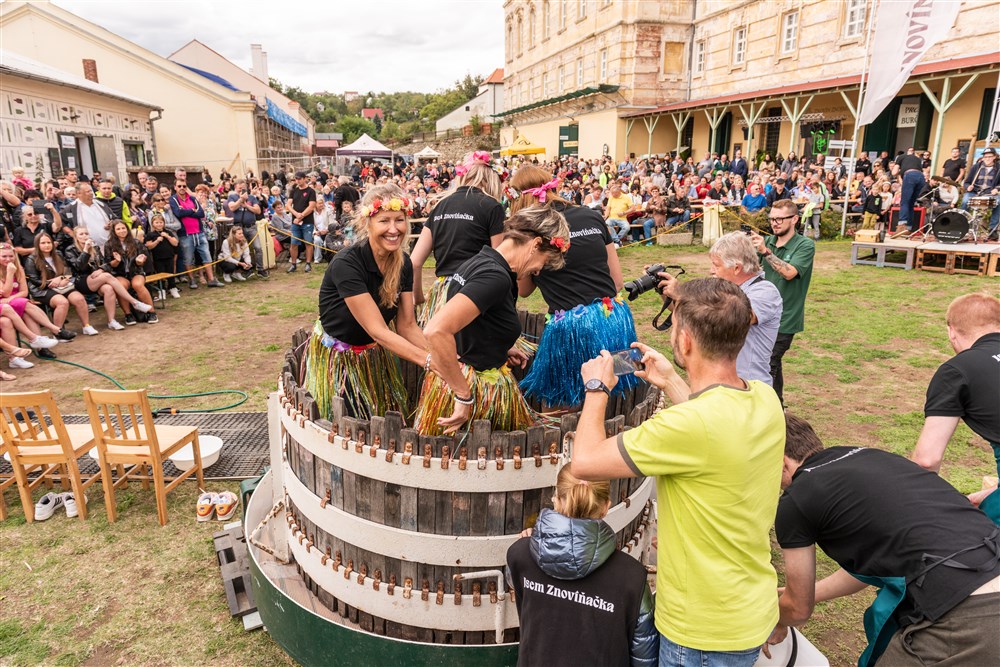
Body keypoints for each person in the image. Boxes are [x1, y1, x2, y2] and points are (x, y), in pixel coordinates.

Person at [572, 278, 784, 667]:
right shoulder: (764, 398)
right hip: (749, 607)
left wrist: (596, 388)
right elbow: (713, 431)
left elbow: (584, 461)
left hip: (701, 632)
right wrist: (670, 380)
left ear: (685, 341)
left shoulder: (686, 427)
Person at [771, 414, 1000, 667]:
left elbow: (798, 610)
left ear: (782, 462)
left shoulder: (797, 499)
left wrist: (777, 619)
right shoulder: (872, 458)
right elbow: (874, 563)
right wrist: (809, 594)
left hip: (971, 614)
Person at [416, 206, 570, 435]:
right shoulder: (494, 276)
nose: (539, 271)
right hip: (473, 391)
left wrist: (499, 346)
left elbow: (472, 324)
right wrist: (463, 395)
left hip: (463, 379)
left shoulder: (479, 260)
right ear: (536, 244)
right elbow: (436, 331)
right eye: (544, 261)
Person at [506, 465, 658, 667]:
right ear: (606, 507)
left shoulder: (520, 555)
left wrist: (529, 542)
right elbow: (645, 658)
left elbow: (515, 582)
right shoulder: (633, 578)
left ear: (556, 500)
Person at [510, 166, 634, 407]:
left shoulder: (529, 228)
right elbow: (617, 281)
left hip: (571, 329)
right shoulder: (592, 215)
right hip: (614, 319)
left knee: (564, 401)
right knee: (618, 390)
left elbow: (524, 290)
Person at [305, 185, 429, 421]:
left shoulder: (403, 263)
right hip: (341, 361)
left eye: (399, 220)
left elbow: (407, 326)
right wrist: (430, 362)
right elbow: (378, 330)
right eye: (384, 221)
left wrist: (440, 357)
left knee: (383, 420)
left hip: (374, 355)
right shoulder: (347, 264)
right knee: (345, 423)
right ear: (367, 223)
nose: (393, 229)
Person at [912, 293, 1000, 524]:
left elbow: (926, 460)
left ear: (951, 332)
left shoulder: (957, 370)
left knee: (975, 537)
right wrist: (992, 495)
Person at [661, 232, 782, 386]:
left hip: (748, 388)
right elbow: (694, 315)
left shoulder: (765, 292)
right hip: (720, 383)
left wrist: (681, 293)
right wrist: (666, 294)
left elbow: (729, 318)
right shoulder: (724, 291)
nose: (711, 271)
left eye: (716, 265)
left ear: (737, 268)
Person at [410, 152, 505, 323]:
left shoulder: (440, 205)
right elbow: (499, 259)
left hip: (443, 294)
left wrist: (417, 298)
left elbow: (415, 262)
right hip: (475, 291)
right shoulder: (492, 206)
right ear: (492, 179)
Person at [750, 200, 815, 405]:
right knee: (768, 363)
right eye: (772, 219)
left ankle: (769, 410)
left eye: (779, 219)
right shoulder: (767, 241)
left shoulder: (804, 245)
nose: (774, 223)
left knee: (767, 364)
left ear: (794, 219)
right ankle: (778, 407)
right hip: (760, 314)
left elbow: (790, 273)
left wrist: (765, 252)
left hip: (785, 318)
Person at [67, 226, 150, 330]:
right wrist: (85, 250)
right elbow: (79, 267)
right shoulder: (70, 249)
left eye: (86, 233)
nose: (84, 236)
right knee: (106, 276)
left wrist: (101, 269)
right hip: (81, 280)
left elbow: (104, 264)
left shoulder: (95, 247)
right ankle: (134, 302)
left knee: (109, 289)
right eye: (81, 234)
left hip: (97, 278)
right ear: (76, 237)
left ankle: (111, 321)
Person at [23, 232, 95, 337]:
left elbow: (68, 271)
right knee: (62, 302)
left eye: (49, 242)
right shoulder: (31, 259)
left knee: (79, 299)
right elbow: (34, 280)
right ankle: (58, 332)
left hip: (62, 285)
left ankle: (86, 326)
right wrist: (52, 282)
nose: (47, 245)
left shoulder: (58, 254)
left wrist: (62, 279)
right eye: (43, 243)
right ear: (37, 245)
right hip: (42, 289)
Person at [0, 243, 63, 358]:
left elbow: (24, 292)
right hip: (4, 304)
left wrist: (10, 299)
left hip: (14, 300)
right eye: (4, 256)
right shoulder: (9, 270)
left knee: (26, 311)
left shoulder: (19, 269)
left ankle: (41, 347)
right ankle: (54, 330)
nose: (8, 259)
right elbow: (6, 293)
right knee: (24, 304)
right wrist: (10, 274)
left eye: (11, 256)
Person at [170, 179, 222, 289]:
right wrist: (192, 210)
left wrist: (186, 211)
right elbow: (178, 213)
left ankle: (211, 279)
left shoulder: (192, 198)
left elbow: (201, 213)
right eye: (179, 186)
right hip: (185, 234)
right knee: (188, 258)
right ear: (175, 187)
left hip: (200, 232)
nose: (182, 188)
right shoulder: (173, 199)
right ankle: (192, 280)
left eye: (184, 186)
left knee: (207, 256)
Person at [102, 220, 157, 325]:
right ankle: (128, 314)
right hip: (119, 273)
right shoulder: (109, 244)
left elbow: (142, 262)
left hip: (136, 271)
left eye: (123, 228)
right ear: (114, 231)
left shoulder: (136, 242)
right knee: (120, 286)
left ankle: (151, 312)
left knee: (137, 285)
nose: (121, 231)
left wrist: (139, 262)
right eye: (118, 229)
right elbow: (109, 264)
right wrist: (116, 261)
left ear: (127, 229)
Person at [226, 178, 267, 279]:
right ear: (235, 188)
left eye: (244, 188)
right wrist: (241, 200)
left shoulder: (251, 197)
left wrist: (246, 206)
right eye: (240, 188)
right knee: (242, 249)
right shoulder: (232, 197)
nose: (242, 190)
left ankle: (260, 269)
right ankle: (247, 270)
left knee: (258, 248)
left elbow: (258, 210)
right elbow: (232, 207)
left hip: (252, 226)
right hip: (239, 228)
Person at [962, 148, 1000, 236]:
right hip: (975, 192)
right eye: (985, 157)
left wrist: (997, 189)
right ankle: (962, 225)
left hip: (989, 193)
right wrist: (968, 187)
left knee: (999, 202)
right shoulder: (976, 167)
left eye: (990, 156)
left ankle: (992, 230)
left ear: (994, 157)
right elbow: (966, 182)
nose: (987, 158)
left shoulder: (998, 168)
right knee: (965, 201)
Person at [143, 214, 180, 299]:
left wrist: (167, 237)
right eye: (157, 222)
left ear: (163, 223)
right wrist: (157, 241)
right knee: (160, 274)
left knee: (170, 273)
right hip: (158, 258)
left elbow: (175, 243)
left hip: (169, 256)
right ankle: (162, 290)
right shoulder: (150, 234)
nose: (159, 224)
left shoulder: (168, 232)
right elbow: (149, 246)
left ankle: (172, 288)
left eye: (161, 222)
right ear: (153, 224)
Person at [287, 171, 318, 273]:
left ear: (305, 179)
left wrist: (301, 216)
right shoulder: (294, 191)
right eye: (296, 179)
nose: (297, 180)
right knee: (293, 243)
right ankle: (293, 264)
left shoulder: (311, 191)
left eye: (299, 178)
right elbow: (288, 205)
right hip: (295, 221)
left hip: (307, 221)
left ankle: (308, 264)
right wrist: (296, 214)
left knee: (308, 243)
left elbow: (311, 206)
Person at [896, 148, 927, 232]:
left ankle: (901, 225)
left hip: (910, 175)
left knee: (905, 201)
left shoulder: (901, 157)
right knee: (911, 203)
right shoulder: (918, 159)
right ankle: (909, 228)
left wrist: (899, 173)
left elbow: (894, 172)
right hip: (921, 177)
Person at [603, 182, 632, 246]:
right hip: (611, 218)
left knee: (627, 227)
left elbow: (633, 208)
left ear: (618, 192)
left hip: (622, 218)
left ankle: (616, 240)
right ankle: (618, 241)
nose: (611, 195)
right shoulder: (611, 197)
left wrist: (624, 213)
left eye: (613, 193)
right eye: (611, 193)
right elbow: (608, 208)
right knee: (606, 224)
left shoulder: (626, 197)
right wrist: (605, 216)